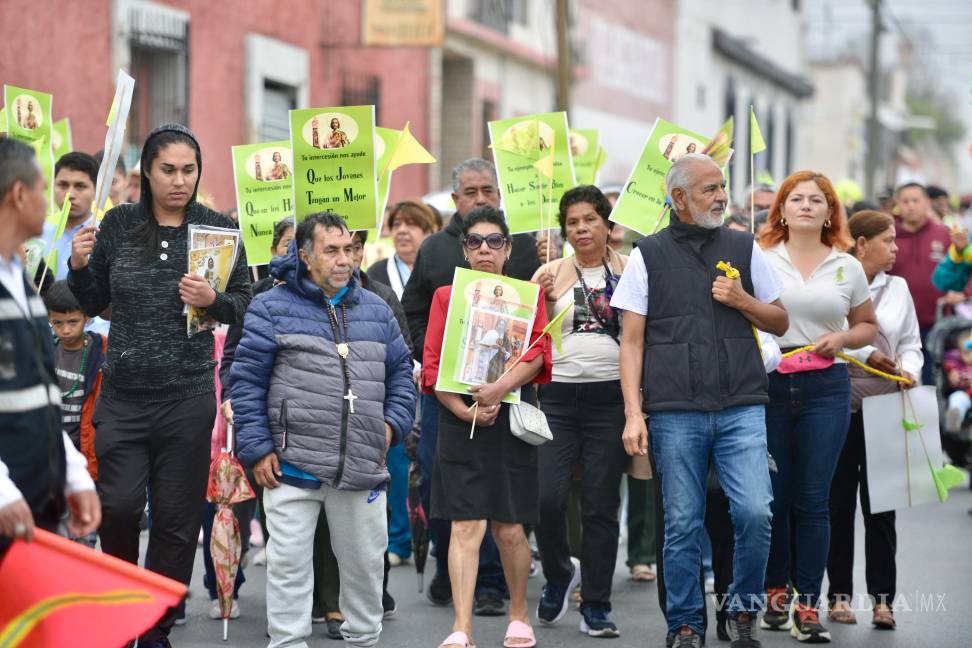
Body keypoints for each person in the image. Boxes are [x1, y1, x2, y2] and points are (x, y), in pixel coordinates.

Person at [67, 123, 252, 648]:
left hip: (188, 397)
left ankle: (153, 629)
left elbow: (243, 302)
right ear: (147, 171)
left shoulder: (215, 228)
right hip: (123, 397)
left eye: (188, 170)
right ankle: (124, 609)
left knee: (176, 523)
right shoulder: (119, 224)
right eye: (167, 170)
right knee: (121, 507)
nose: (179, 181)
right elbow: (91, 299)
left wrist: (212, 300)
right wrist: (79, 264)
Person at [611, 153, 789, 648]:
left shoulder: (744, 246)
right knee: (683, 523)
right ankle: (685, 623)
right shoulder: (648, 254)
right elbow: (631, 341)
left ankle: (742, 610)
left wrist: (742, 300)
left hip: (742, 405)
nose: (721, 195)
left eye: (722, 186)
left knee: (755, 512)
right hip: (674, 412)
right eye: (710, 188)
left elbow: (779, 322)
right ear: (679, 198)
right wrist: (633, 412)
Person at [232, 212, 414, 648]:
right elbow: (246, 381)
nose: (343, 259)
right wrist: (257, 450)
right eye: (331, 250)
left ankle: (363, 637)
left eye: (349, 249)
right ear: (305, 255)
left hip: (362, 466)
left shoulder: (377, 308)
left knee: (365, 567)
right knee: (289, 566)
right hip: (289, 465)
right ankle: (289, 641)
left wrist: (391, 426)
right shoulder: (269, 307)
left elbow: (402, 374)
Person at [402, 158, 540, 613]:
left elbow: (539, 342)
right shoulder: (434, 254)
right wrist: (439, 363)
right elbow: (416, 312)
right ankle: (450, 568)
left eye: (488, 190)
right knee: (446, 493)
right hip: (452, 400)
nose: (486, 248)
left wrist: (500, 388)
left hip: (508, 406)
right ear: (455, 199)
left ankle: (493, 586)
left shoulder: (525, 252)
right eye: (470, 191)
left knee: (506, 513)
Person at [423, 206, 552, 648]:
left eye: (494, 241)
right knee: (465, 527)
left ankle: (519, 615)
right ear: (464, 249)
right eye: (475, 241)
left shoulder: (526, 296)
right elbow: (434, 366)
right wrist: (463, 411)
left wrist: (499, 388)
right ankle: (461, 627)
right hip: (461, 421)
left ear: (508, 249)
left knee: (510, 528)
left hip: (509, 419)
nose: (484, 249)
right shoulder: (446, 297)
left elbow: (538, 354)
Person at [758, 170, 877, 643]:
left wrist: (844, 338)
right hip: (768, 380)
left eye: (816, 200)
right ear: (782, 210)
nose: (806, 205)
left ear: (831, 211)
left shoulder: (847, 265)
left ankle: (808, 604)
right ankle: (773, 590)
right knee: (774, 496)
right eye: (796, 199)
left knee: (813, 499)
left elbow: (867, 326)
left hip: (827, 384)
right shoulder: (760, 259)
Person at [530, 185, 629, 637]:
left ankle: (597, 605)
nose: (581, 228)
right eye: (572, 222)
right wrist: (542, 299)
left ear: (607, 225)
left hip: (611, 399)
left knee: (600, 505)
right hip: (558, 398)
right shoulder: (549, 272)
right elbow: (530, 339)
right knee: (548, 499)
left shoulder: (631, 271)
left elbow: (640, 335)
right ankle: (557, 574)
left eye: (590, 219)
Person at [0, 137, 100, 554]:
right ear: (19, 195)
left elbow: (40, 391)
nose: (56, 199)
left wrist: (72, 475)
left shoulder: (17, 278)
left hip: (33, 501)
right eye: (47, 187)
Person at [826, 210, 920, 631]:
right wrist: (868, 355)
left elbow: (912, 342)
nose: (896, 248)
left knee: (882, 510)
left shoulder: (899, 288)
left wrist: (909, 367)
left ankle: (884, 601)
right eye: (888, 240)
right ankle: (838, 596)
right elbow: (826, 335)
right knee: (837, 506)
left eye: (897, 240)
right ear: (861, 244)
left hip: (886, 406)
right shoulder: (836, 282)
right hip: (837, 405)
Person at [43, 281, 107, 485]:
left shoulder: (102, 352)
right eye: (58, 323)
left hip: (85, 449)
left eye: (73, 321)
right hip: (49, 449)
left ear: (87, 317)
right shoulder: (43, 351)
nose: (66, 330)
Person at [890, 182, 952, 386]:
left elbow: (964, 268)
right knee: (901, 381)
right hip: (897, 326)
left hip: (935, 324)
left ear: (927, 203)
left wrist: (963, 293)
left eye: (916, 200)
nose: (910, 206)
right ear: (897, 204)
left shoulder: (944, 234)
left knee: (934, 381)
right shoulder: (889, 235)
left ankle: (936, 418)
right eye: (905, 201)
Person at [367, 200, 437, 299]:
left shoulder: (440, 267)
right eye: (396, 225)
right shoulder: (376, 272)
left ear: (428, 232)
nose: (402, 230)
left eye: (411, 224)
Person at [48, 152, 99, 279]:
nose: (70, 194)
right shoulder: (35, 235)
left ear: (96, 191)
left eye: (80, 186)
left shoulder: (106, 235)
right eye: (63, 185)